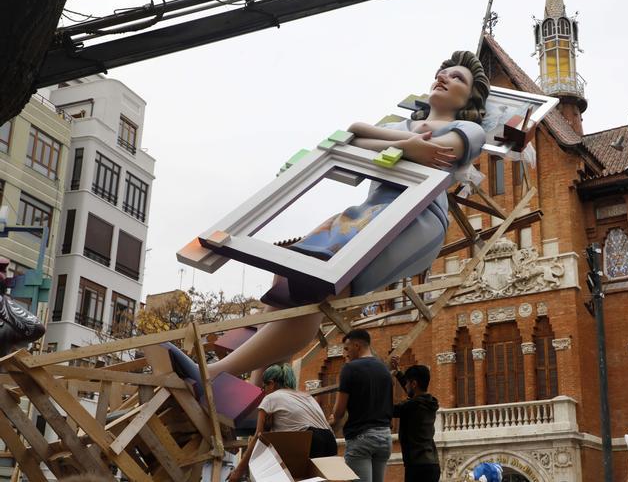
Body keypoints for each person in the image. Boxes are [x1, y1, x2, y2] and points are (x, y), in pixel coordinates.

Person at [167, 51, 489, 407]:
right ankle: (255, 384)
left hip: (415, 219)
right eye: (443, 71)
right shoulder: (403, 127)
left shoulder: (469, 130)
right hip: (368, 212)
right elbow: (354, 133)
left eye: (457, 78)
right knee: (290, 271)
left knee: (322, 289)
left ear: (468, 101)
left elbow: (428, 151)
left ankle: (213, 374)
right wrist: (405, 144)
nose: (444, 76)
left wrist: (397, 145)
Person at [227, 363, 336, 482]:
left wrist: (238, 471)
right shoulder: (306, 396)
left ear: (272, 383)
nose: (264, 392)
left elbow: (258, 436)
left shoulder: (271, 398)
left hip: (309, 440)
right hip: (330, 440)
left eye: (264, 387)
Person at [329, 329, 393, 482]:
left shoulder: (350, 369)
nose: (345, 354)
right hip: (385, 437)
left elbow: (339, 411)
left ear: (356, 345)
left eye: (346, 348)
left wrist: (330, 423)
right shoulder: (384, 369)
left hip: (361, 438)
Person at [390, 358, 440, 482]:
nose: (405, 386)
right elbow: (412, 392)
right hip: (432, 464)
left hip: (418, 466)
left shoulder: (413, 406)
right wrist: (398, 373)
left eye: (407, 383)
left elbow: (388, 410)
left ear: (414, 384)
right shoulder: (428, 401)